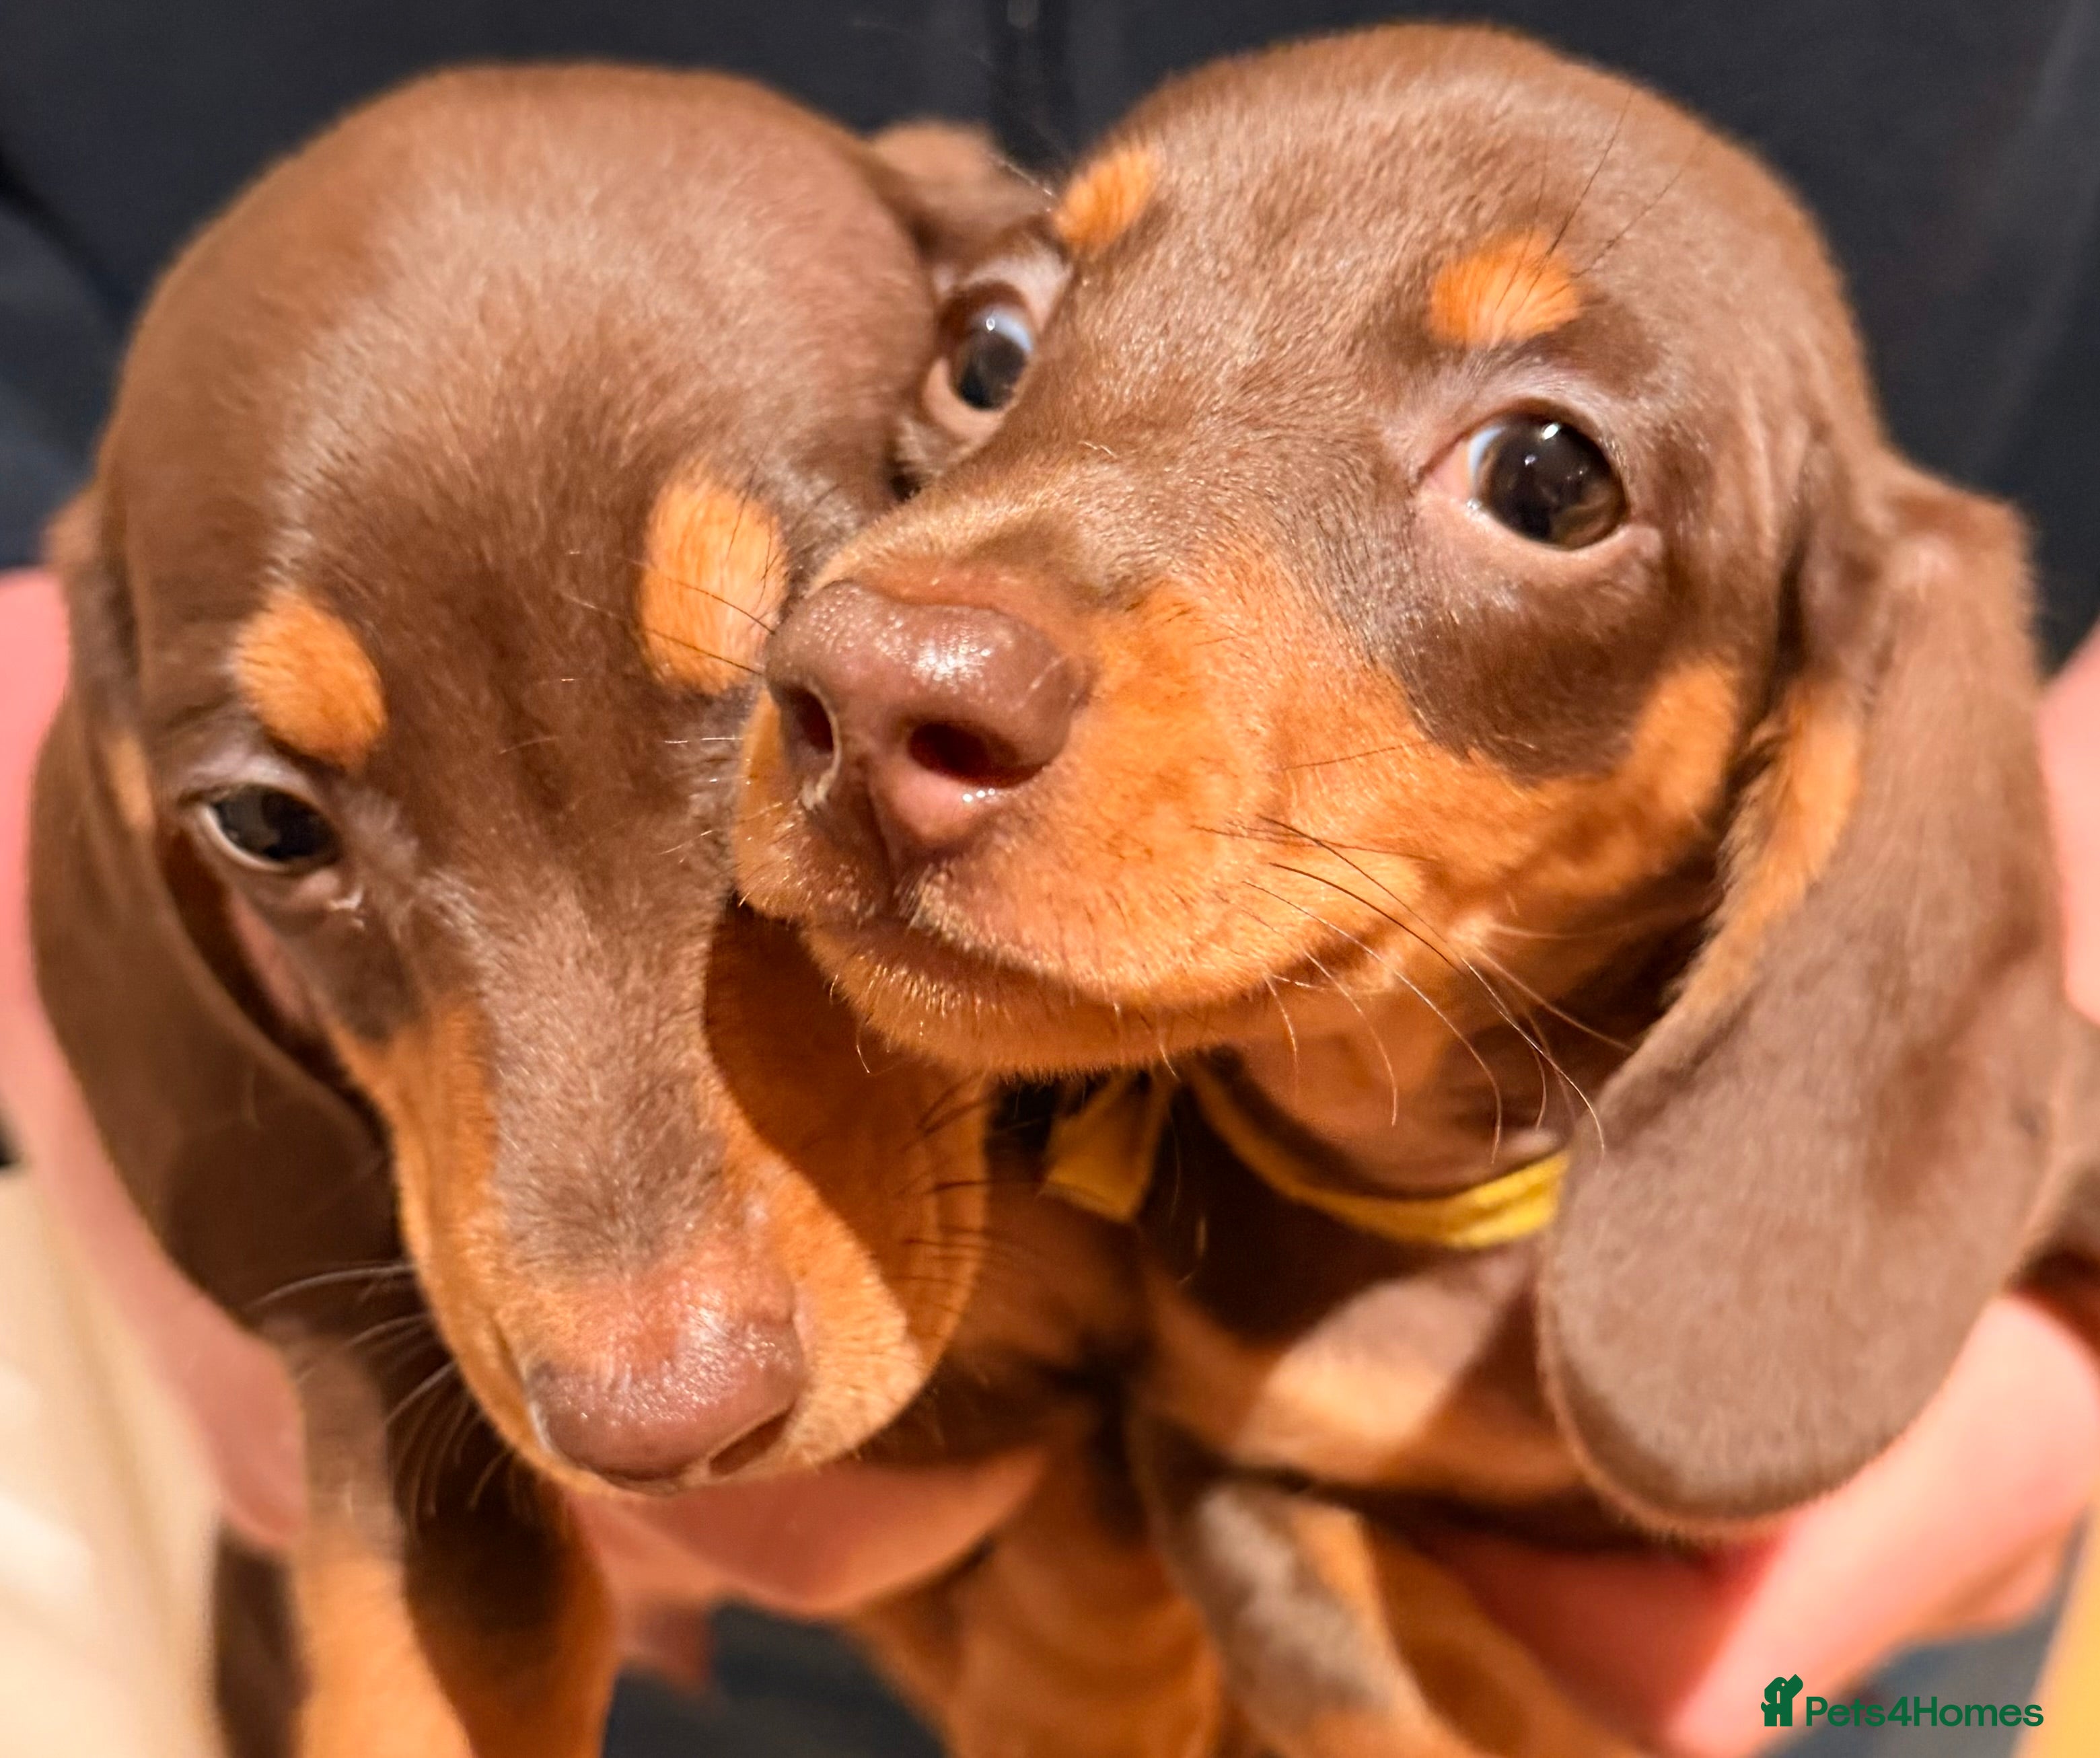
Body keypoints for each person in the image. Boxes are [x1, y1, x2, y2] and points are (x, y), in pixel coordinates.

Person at [2, 5, 2096, 1753]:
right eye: (1001, 360)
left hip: (1876, 1237)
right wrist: (237, 1209)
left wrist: (2002, 1265)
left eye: (1537, 479)